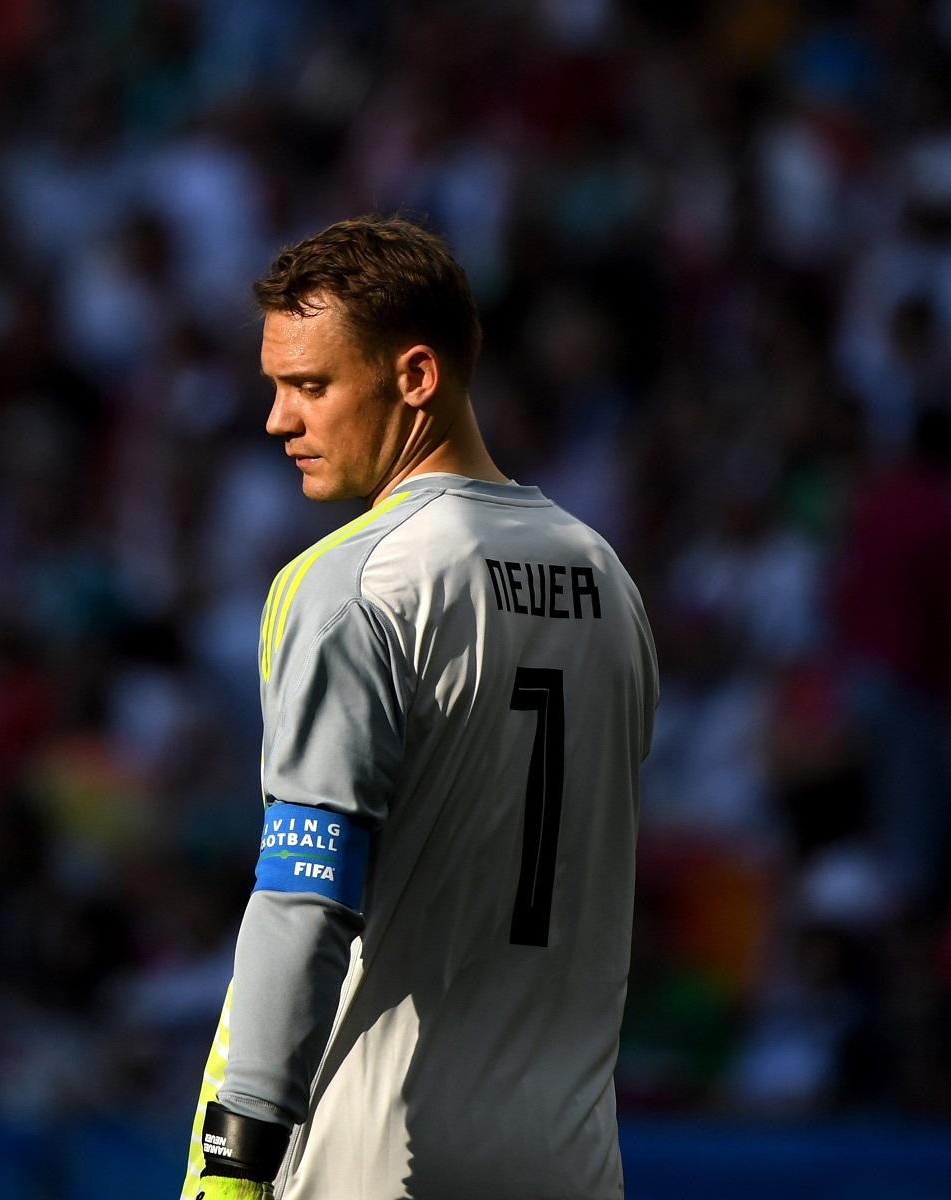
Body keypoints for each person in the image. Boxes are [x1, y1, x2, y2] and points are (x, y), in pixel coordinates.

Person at [183, 217, 658, 1199]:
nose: (277, 419)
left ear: (413, 376)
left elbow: (303, 899)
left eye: (309, 386)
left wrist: (232, 1167)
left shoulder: (350, 584)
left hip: (379, 1158)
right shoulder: (606, 579)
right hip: (569, 1165)